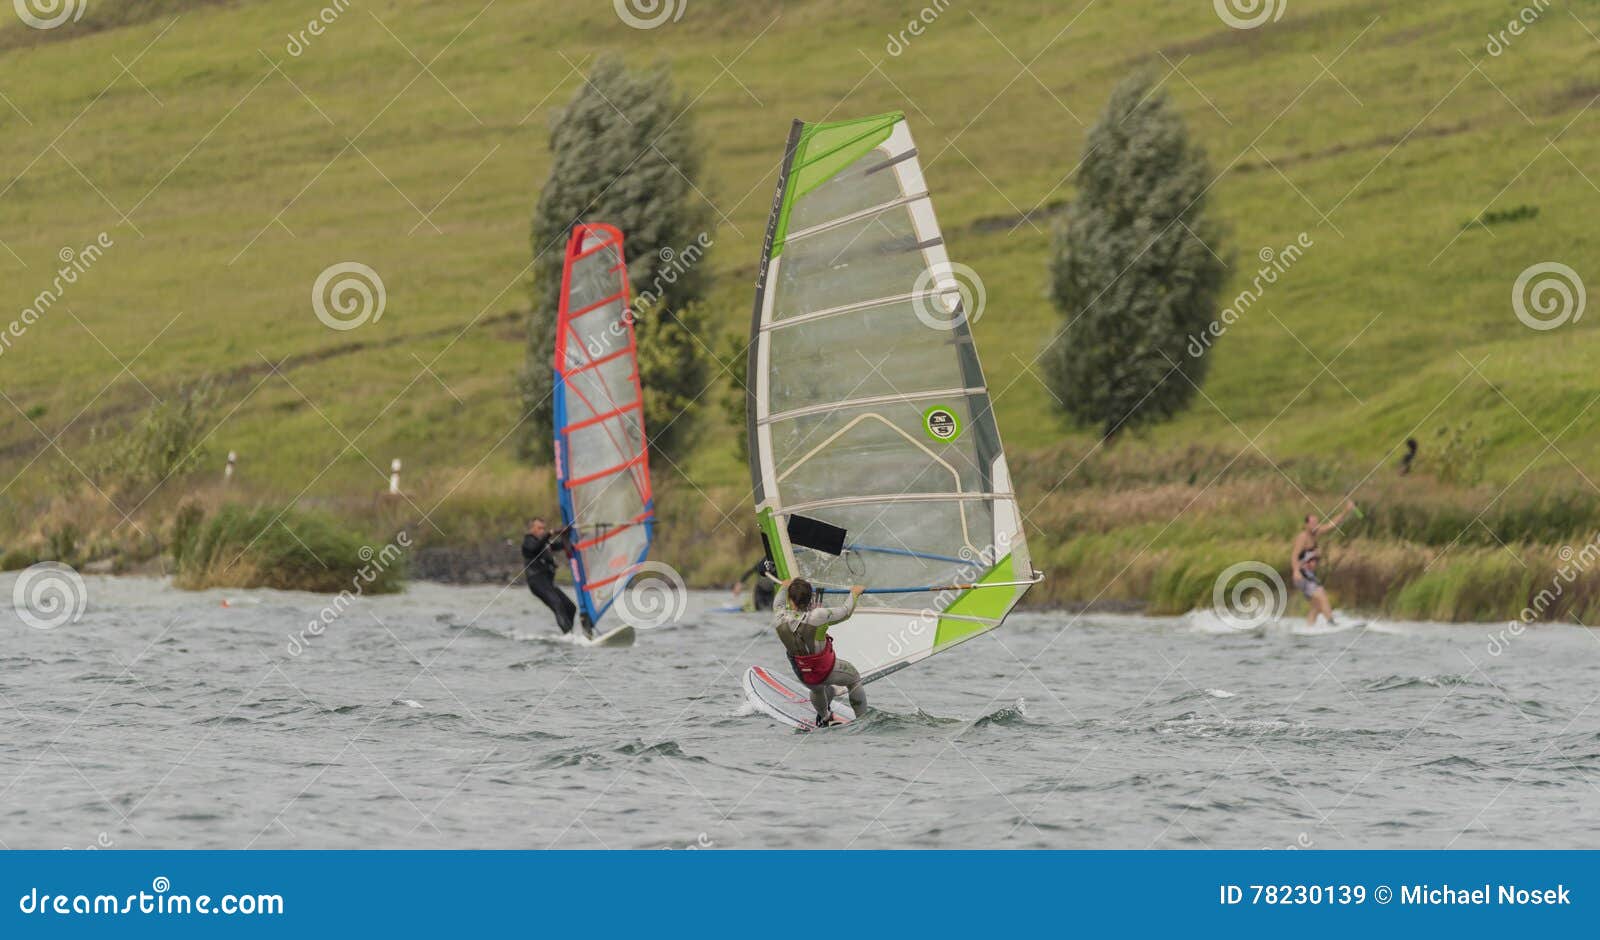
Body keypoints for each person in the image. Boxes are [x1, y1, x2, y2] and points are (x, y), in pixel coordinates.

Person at [773, 577, 867, 726]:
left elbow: (777, 603)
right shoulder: (819, 615)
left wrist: (784, 587)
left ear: (790, 600)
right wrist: (854, 593)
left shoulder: (779, 617)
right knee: (854, 679)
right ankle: (863, 721)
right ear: (810, 598)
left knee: (817, 689)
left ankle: (824, 717)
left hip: (804, 674)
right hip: (826, 670)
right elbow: (846, 611)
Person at [521, 518, 592, 639]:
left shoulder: (544, 543)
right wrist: (551, 532)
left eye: (543, 528)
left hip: (548, 583)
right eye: (539, 528)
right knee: (557, 604)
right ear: (531, 529)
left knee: (570, 607)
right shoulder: (528, 542)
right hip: (537, 582)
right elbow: (535, 548)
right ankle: (569, 636)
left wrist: (576, 536)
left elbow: (559, 545)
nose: (542, 531)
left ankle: (569, 634)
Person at [1291, 500, 1356, 626]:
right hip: (1302, 575)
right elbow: (1294, 556)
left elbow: (1332, 524)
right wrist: (1296, 571)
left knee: (1316, 606)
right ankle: (1331, 623)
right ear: (1306, 525)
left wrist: (1346, 510)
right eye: (1312, 523)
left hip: (1308, 574)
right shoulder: (1302, 537)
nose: (1315, 525)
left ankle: (1308, 628)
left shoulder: (1317, 533)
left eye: (1317, 523)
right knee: (1322, 595)